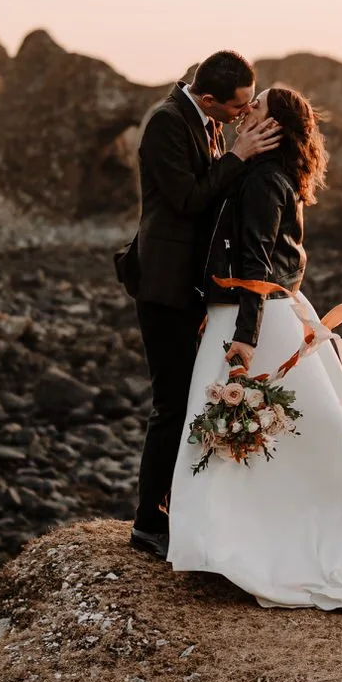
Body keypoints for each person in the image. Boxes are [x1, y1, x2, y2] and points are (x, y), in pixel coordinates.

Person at [166, 85, 342, 622]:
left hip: (252, 316)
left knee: (263, 428)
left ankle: (245, 543)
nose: (247, 111)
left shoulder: (261, 179)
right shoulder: (276, 174)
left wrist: (245, 338)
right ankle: (238, 540)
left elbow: (255, 266)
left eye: (257, 106)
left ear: (274, 126)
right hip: (273, 309)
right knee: (279, 431)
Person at [125, 50, 281, 560]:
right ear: (209, 98)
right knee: (171, 405)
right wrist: (239, 156)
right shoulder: (165, 124)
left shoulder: (210, 121)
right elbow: (190, 200)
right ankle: (148, 523)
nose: (244, 113)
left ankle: (180, 509)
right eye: (237, 106)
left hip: (195, 288)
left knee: (192, 401)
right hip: (165, 287)